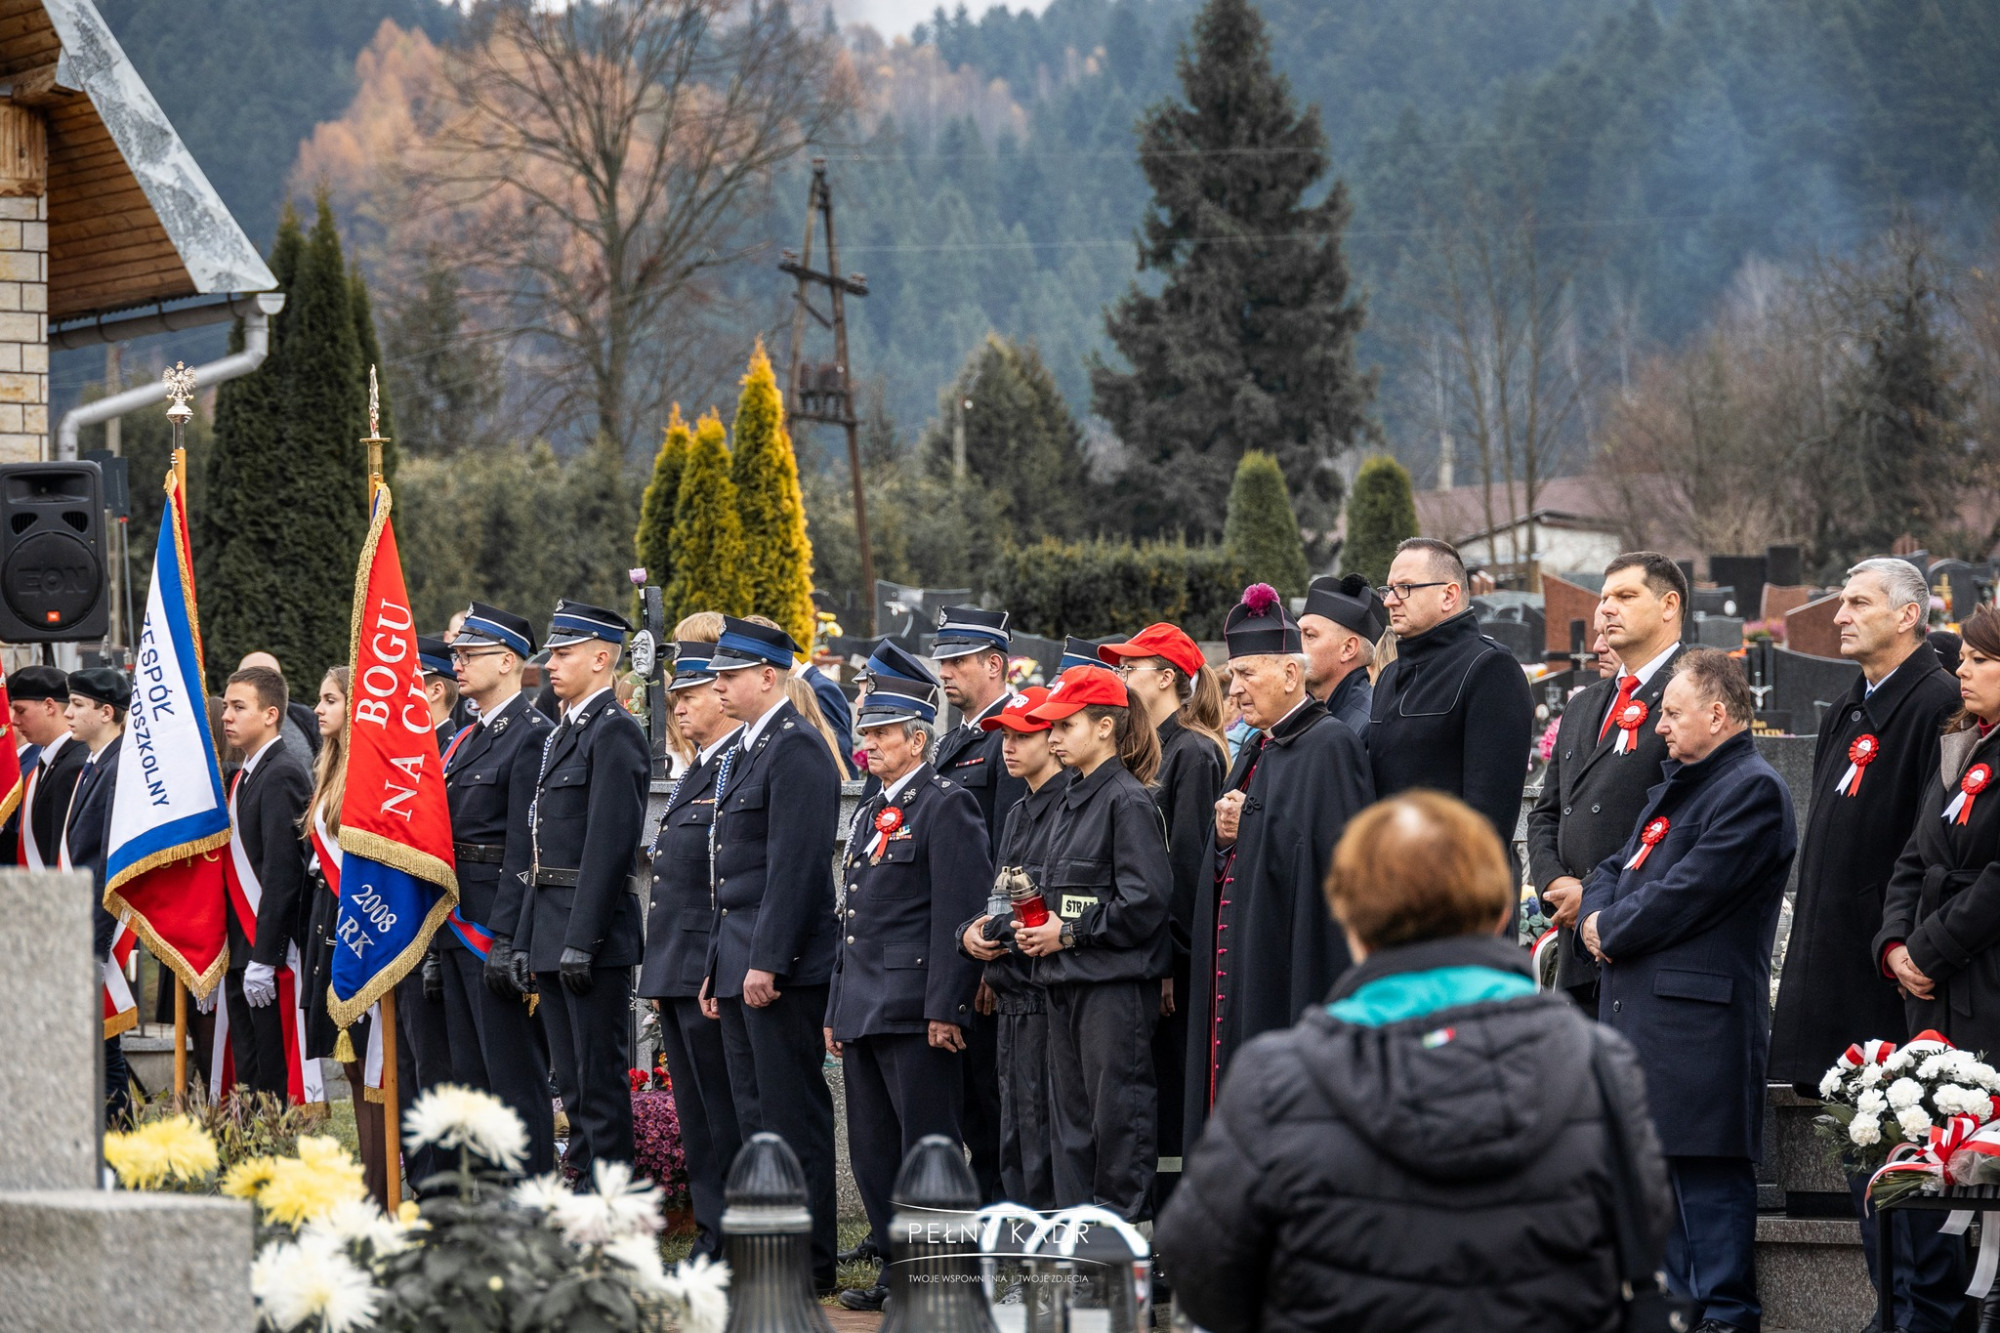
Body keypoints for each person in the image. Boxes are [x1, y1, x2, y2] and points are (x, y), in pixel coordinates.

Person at [1158, 791, 1673, 1333]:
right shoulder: (1599, 1067)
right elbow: (1645, 1232)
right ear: (1502, 911)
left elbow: (1205, 1273)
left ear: (1350, 921)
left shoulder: (1277, 1080)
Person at [1768, 560, 1963, 1331]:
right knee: (1865, 1164)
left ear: (1909, 614)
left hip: (1895, 978)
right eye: (1841, 600)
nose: (1840, 614)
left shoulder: (1936, 702)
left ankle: (1920, 1314)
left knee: (1908, 1164)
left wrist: (1905, 944)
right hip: (1839, 972)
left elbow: (1931, 850)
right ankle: (1891, 1308)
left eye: (1858, 601)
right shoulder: (1853, 704)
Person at [1581, 649, 1797, 1333]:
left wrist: (1609, 927)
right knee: (1665, 1217)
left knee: (1707, 1206)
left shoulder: (1751, 791)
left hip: (1698, 1033)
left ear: (1719, 714)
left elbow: (1687, 892)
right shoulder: (1682, 786)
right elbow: (1611, 867)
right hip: (1651, 1028)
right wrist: (1593, 917)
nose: (1660, 726)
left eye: (1672, 713)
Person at [1184, 584, 1374, 1147]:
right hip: (1239, 959)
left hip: (1286, 969)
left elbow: (1333, 868)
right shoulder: (1254, 747)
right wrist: (1224, 840)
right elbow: (1232, 850)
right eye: (1233, 675)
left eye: (1247, 673)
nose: (1234, 689)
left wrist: (1249, 827)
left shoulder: (1330, 745)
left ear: (1291, 674)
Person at [825, 671, 989, 1312]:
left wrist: (948, 1007)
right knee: (873, 1153)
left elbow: (959, 912)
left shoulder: (947, 805)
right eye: (865, 733)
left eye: (881, 734)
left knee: (928, 1149)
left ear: (917, 740)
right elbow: (852, 918)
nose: (867, 744)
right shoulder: (872, 808)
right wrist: (837, 1006)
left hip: (916, 1008)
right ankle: (899, 1272)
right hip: (864, 1006)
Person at [706, 614, 842, 1290]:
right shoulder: (749, 747)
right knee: (755, 1116)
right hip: (740, 957)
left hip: (778, 966)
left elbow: (795, 866)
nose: (718, 686)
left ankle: (808, 1260)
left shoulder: (796, 748)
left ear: (768, 675)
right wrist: (718, 967)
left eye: (729, 675)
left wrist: (767, 960)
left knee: (791, 1115)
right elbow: (728, 872)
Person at [1020, 664, 1172, 1220]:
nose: (1053, 738)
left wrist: (1068, 932)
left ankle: (1119, 1252)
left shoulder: (1127, 801)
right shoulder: (1071, 798)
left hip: (1112, 990)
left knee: (1118, 1126)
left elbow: (1145, 902)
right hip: (1066, 982)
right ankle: (1079, 1246)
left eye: (1066, 725)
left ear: (1105, 727)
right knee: (1072, 1130)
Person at [1095, 622, 1227, 1201]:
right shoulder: (1146, 749)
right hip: (1144, 952)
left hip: (1172, 959)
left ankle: (1176, 1216)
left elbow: (1188, 868)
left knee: (1173, 1090)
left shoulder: (1192, 752)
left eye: (1131, 668)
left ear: (1167, 677)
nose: (1121, 677)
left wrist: (1173, 959)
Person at [521, 600, 650, 1175]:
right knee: (571, 1084)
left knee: (599, 1084)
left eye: (564, 653)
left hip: (589, 935)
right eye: (551, 653)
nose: (550, 664)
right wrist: (530, 935)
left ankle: (611, 1200)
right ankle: (583, 1188)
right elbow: (540, 844)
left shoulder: (614, 731)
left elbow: (610, 844)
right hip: (553, 927)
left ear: (601, 659)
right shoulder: (563, 734)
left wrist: (583, 939)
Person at [1528, 552, 1689, 1009]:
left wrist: (1595, 894)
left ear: (1668, 605)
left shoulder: (1695, 694)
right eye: (1604, 598)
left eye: (1625, 596)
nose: (1607, 610)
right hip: (1576, 946)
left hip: (1639, 942)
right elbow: (1548, 811)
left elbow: (1683, 821)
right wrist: (1554, 881)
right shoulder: (1585, 704)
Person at [438, 603, 557, 1177]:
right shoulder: (468, 738)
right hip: (457, 919)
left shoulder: (530, 737)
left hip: (491, 927)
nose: (457, 664)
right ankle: (484, 1197)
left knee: (512, 1076)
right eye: (456, 655)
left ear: (508, 662)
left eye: (469, 654)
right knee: (470, 1077)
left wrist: (509, 936)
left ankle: (528, 1195)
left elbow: (524, 845)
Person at [637, 632, 743, 1260]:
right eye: (675, 695)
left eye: (691, 694)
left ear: (723, 698)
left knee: (721, 1111)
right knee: (696, 1115)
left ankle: (731, 1237)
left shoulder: (733, 766)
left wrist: (709, 966)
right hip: (676, 965)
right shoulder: (699, 769)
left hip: (707, 966)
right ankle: (711, 1233)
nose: (677, 706)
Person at [928, 603, 1024, 1204]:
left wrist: (994, 951)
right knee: (966, 1103)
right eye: (943, 661)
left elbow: (1010, 852)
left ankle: (1000, 1223)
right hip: (953, 943)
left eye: (959, 660)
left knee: (991, 1107)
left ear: (994, 664)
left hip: (986, 950)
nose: (946, 671)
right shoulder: (954, 740)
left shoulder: (1009, 737)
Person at [1369, 537, 1535, 866]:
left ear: (1448, 595)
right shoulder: (1389, 676)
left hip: (1451, 885)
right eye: (1388, 589)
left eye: (1405, 588)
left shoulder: (1490, 668)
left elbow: (1487, 818)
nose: (1389, 601)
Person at [959, 684, 1062, 1209]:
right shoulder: (1021, 809)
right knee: (1014, 1134)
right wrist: (970, 933)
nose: (1008, 747)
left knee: (1046, 1136)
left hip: (1049, 995)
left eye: (1023, 735)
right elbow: (1001, 894)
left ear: (1053, 737)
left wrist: (993, 931)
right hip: (1012, 993)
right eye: (1004, 736)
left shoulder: (1070, 806)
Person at [297, 666, 395, 1207]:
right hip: (330, 928)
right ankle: (368, 1183)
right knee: (353, 1071)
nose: (319, 709)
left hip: (363, 930)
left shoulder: (369, 773)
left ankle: (383, 1188)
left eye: (331, 699)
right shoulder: (329, 767)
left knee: (373, 1070)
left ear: (356, 707)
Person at [218, 665, 314, 1100]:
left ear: (271, 714)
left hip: (266, 952)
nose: (227, 716)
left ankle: (277, 1145)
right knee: (249, 1073)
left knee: (272, 1079)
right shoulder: (246, 774)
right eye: (226, 706)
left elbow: (282, 871)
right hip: (242, 944)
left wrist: (265, 955)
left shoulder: (282, 773)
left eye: (239, 707)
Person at [59, 667, 130, 1117]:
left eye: (78, 705)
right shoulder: (96, 764)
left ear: (106, 712)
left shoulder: (118, 768)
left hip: (100, 929)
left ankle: (120, 1140)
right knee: (95, 1049)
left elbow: (106, 861)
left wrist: (97, 946)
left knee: (104, 1051)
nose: (68, 713)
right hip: (82, 924)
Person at [8, 664, 85, 869]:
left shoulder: (75, 764)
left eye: (20, 711)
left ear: (49, 706)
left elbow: (65, 848)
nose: (14, 721)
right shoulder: (47, 763)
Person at [1300, 574, 1387, 738]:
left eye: (1309, 635)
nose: (1295, 644)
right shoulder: (1302, 718)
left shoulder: (1371, 727)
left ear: (1348, 649)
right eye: (1296, 633)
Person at [238, 651, 321, 762]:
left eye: (270, 679)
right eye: (253, 679)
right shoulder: (223, 719)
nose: (262, 686)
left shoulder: (305, 718)